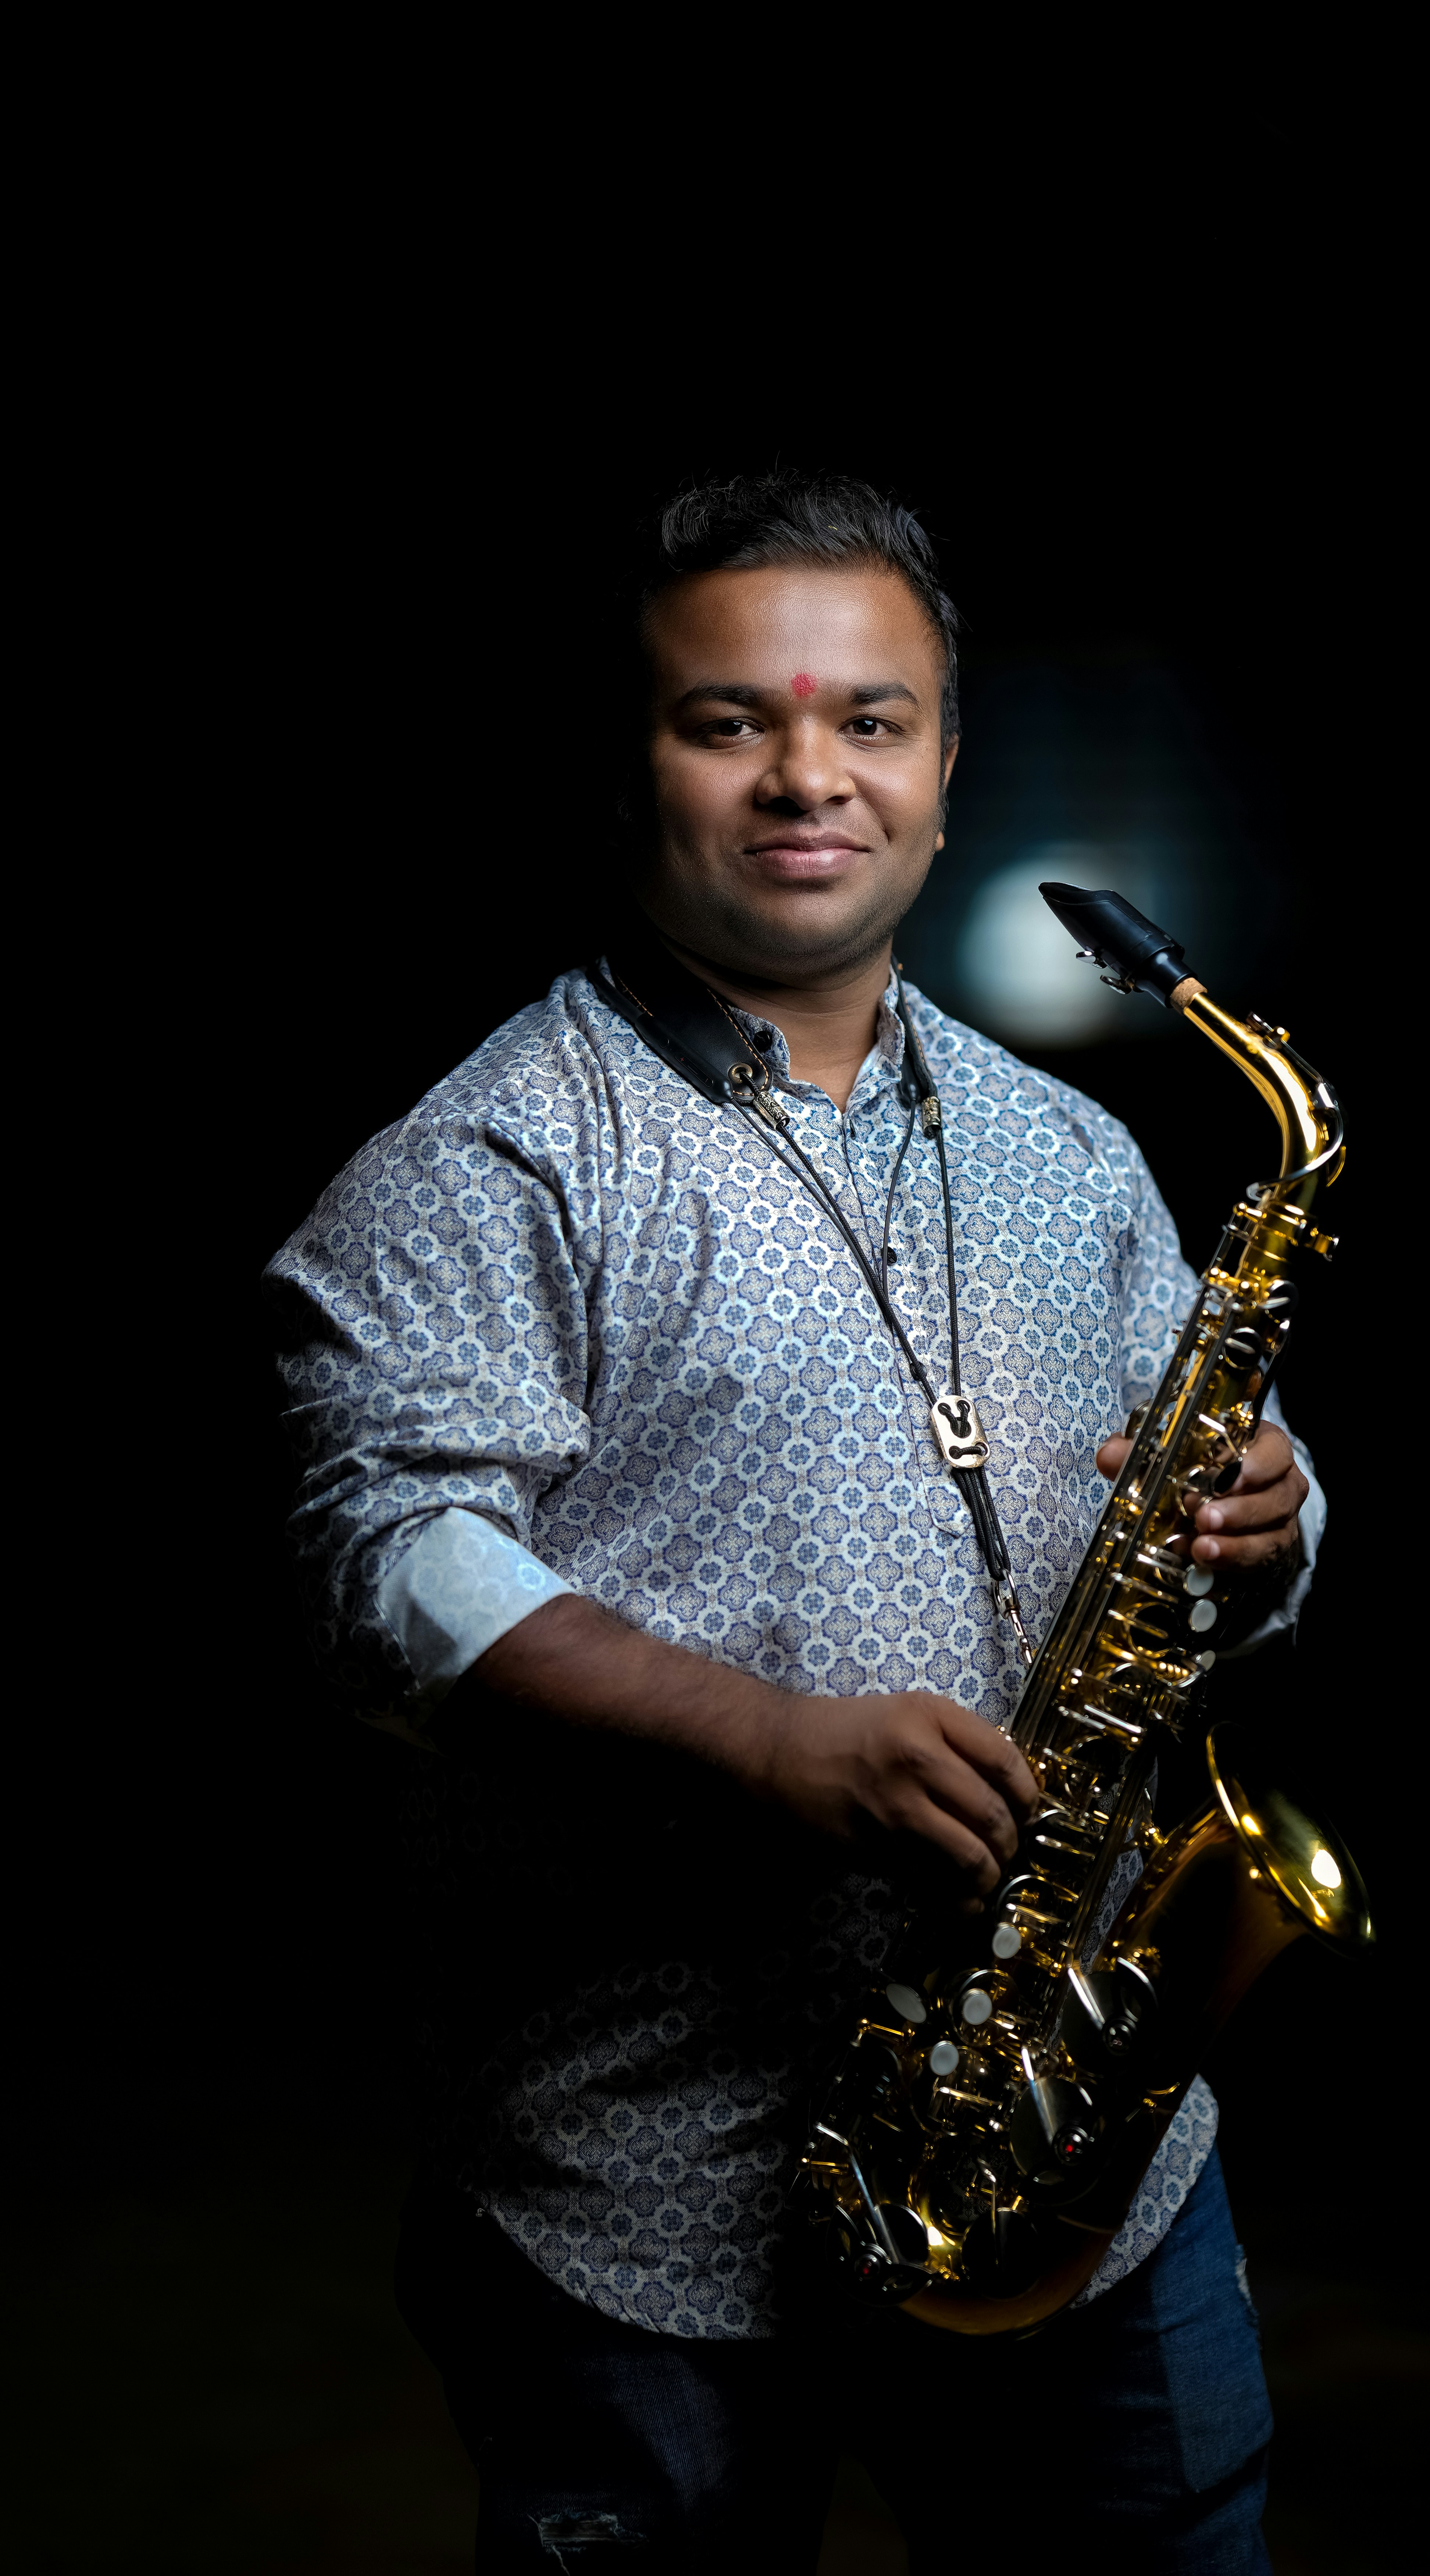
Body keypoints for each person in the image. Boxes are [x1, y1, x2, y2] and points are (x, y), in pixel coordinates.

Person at [265, 473, 1322, 2570]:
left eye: (872, 721)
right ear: (629, 759)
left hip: (1081, 2143)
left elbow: (1244, 1498)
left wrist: (1276, 1529)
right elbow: (386, 1566)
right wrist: (763, 1737)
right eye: (726, 720)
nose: (805, 778)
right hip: (646, 2194)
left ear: (944, 775)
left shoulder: (1081, 1150)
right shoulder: (486, 1159)